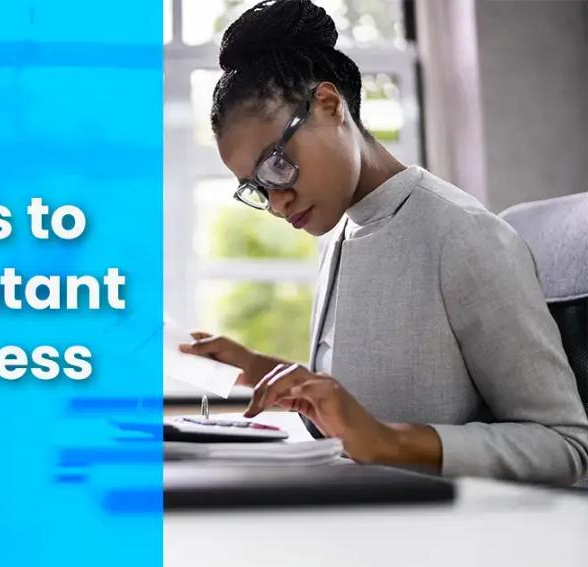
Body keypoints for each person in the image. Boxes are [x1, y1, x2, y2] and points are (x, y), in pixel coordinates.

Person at [180, 0, 588, 485]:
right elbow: (362, 408)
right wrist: (256, 367)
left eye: (276, 164)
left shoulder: (463, 236)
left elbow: (567, 446)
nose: (276, 203)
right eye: (257, 188)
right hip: (361, 509)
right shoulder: (341, 233)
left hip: (440, 524)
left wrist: (391, 442)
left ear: (329, 106)